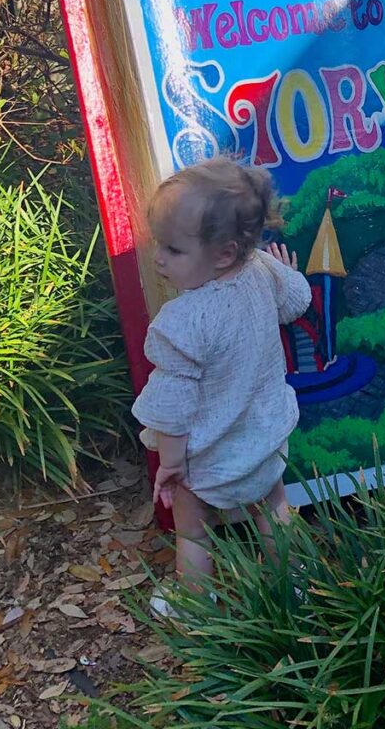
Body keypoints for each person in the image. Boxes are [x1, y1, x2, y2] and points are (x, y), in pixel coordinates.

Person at [131, 156, 312, 617]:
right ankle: (297, 586)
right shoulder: (261, 273)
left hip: (206, 460)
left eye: (172, 250)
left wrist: (170, 464)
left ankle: (193, 604)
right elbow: (297, 301)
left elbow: (171, 407)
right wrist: (287, 269)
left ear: (224, 253)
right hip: (265, 441)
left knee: (192, 530)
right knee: (274, 510)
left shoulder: (182, 322)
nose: (158, 259)